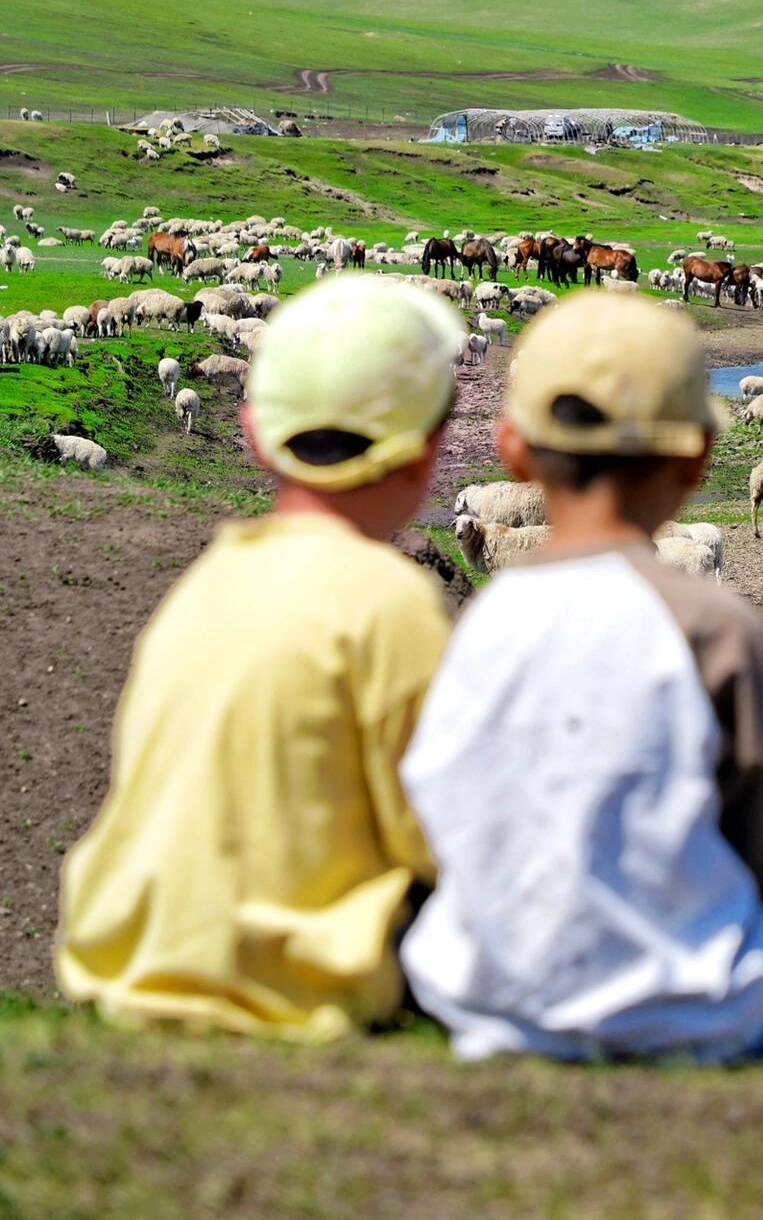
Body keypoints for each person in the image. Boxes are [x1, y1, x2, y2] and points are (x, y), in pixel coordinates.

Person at [400, 291, 763, 1063]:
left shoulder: (484, 623)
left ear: (513, 450)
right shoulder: (714, 628)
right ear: (698, 458)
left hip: (497, 1000)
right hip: (688, 1010)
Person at [55, 273, 464, 1041]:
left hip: (130, 978)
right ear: (430, 447)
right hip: (287, 992)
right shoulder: (391, 599)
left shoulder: (204, 584)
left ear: (253, 434)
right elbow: (441, 837)